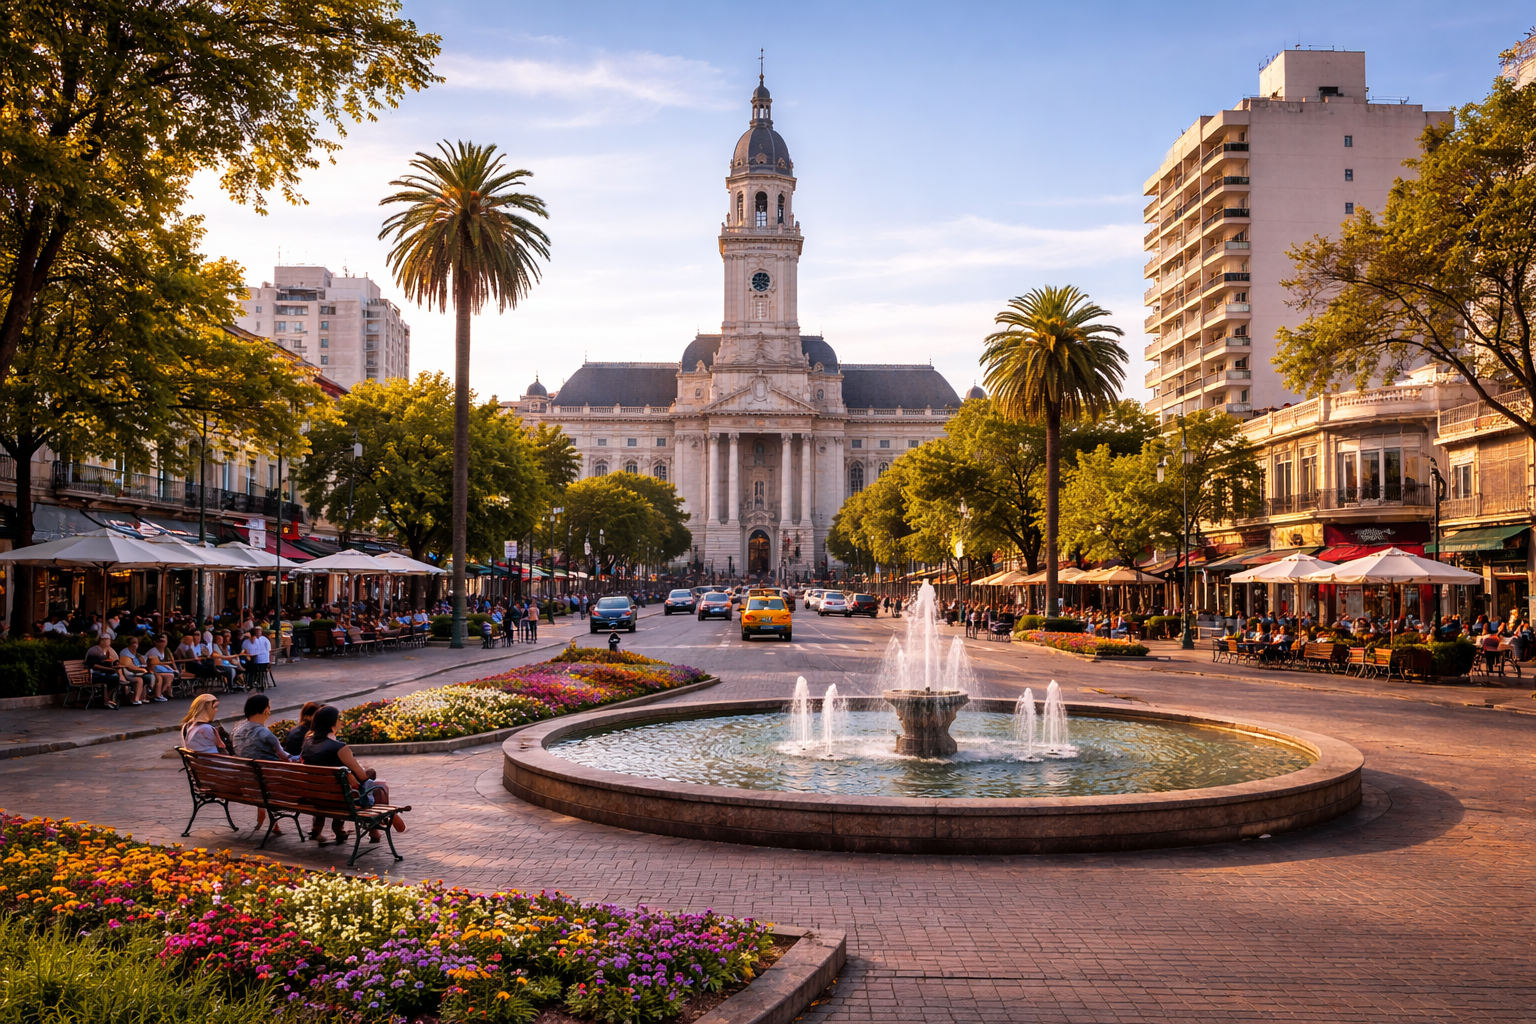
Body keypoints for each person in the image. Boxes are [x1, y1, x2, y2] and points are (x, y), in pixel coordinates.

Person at [301, 705, 405, 844]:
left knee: (354, 784)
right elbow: (362, 777)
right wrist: (368, 771)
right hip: (339, 801)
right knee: (377, 784)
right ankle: (376, 827)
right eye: (339, 719)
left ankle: (373, 829)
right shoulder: (339, 748)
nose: (341, 722)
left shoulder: (308, 743)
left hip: (315, 798)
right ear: (332, 723)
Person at [233, 693, 299, 834]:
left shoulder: (237, 729)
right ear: (265, 710)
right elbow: (286, 758)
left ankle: (268, 817)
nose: (270, 710)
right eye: (269, 707)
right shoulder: (265, 733)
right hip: (269, 781)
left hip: (247, 781)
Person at [84, 633, 124, 709]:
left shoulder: (111, 650)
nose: (106, 641)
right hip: (94, 675)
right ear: (99, 640)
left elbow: (116, 662)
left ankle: (110, 699)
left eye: (107, 639)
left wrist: (120, 673)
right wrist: (109, 669)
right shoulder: (94, 650)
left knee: (116, 677)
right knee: (114, 678)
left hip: (105, 674)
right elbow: (93, 665)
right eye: (103, 639)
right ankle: (108, 700)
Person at [117, 636, 155, 706]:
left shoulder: (137, 654)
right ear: (129, 644)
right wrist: (142, 669)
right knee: (140, 679)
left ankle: (146, 694)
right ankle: (136, 699)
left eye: (136, 643)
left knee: (151, 675)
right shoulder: (125, 652)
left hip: (137, 672)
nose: (135, 645)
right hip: (128, 673)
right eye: (133, 643)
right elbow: (128, 666)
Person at [144, 634, 176, 702]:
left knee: (169, 676)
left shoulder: (165, 650)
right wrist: (169, 665)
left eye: (163, 641)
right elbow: (155, 664)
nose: (162, 643)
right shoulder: (153, 651)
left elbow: (163, 663)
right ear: (156, 642)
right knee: (169, 676)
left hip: (158, 669)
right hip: (151, 669)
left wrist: (173, 669)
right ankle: (158, 694)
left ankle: (158, 694)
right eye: (160, 641)